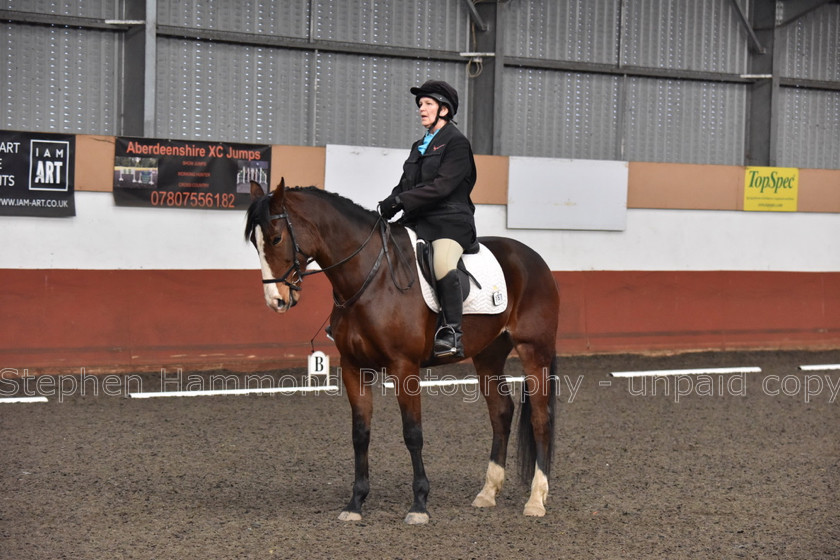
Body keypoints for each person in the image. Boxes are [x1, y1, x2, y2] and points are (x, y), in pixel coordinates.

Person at [378, 80, 477, 359]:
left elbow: (442, 186)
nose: (421, 109)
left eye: (428, 104)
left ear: (444, 110)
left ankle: (452, 331)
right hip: (418, 219)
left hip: (450, 221)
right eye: (420, 104)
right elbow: (406, 184)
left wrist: (402, 201)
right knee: (382, 249)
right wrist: (390, 202)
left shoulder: (456, 143)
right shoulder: (419, 146)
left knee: (442, 262)